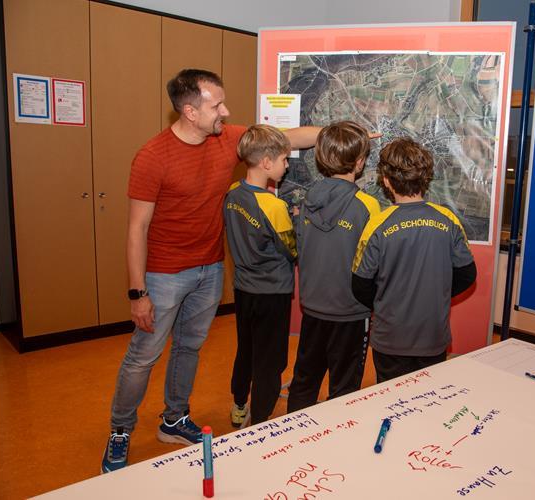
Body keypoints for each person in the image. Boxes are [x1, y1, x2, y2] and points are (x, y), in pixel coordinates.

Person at [102, 69, 320, 473]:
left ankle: (174, 417)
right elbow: (137, 228)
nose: (226, 111)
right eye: (216, 105)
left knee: (189, 348)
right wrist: (138, 293)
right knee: (143, 356)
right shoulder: (152, 157)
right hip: (164, 276)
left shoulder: (227, 138)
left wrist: (337, 133)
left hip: (210, 270)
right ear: (189, 111)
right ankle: (120, 430)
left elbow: (285, 138)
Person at [351, 138, 477, 383]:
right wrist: (435, 295)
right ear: (425, 178)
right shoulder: (447, 219)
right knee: (428, 401)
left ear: (386, 181)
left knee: (390, 401)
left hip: (390, 336)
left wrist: (384, 302)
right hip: (433, 336)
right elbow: (467, 274)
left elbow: (360, 284)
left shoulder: (377, 224)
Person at [286, 121, 380, 413]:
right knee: (345, 388)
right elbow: (372, 263)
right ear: (361, 163)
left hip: (313, 308)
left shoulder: (304, 203)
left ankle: (292, 439)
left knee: (304, 380)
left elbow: (300, 251)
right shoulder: (368, 206)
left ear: (320, 158)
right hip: (351, 313)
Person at [225, 125, 298, 428]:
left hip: (244, 290)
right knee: (271, 359)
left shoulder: (232, 193)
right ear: (267, 162)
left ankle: (240, 403)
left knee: (247, 349)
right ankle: (262, 417)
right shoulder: (274, 205)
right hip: (272, 293)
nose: (287, 165)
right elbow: (292, 249)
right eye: (284, 159)